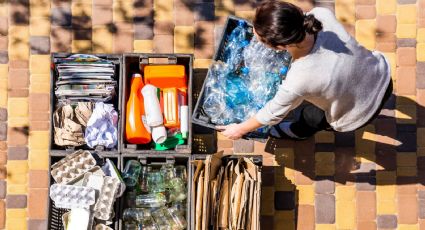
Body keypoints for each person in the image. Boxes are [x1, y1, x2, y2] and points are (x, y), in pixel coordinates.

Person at [217, 0, 392, 140]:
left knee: (312, 116)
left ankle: (297, 132)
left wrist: (239, 129)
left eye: (260, 40)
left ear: (280, 46)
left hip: (358, 113)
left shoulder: (299, 79)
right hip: (380, 74)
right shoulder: (321, 16)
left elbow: (271, 114)